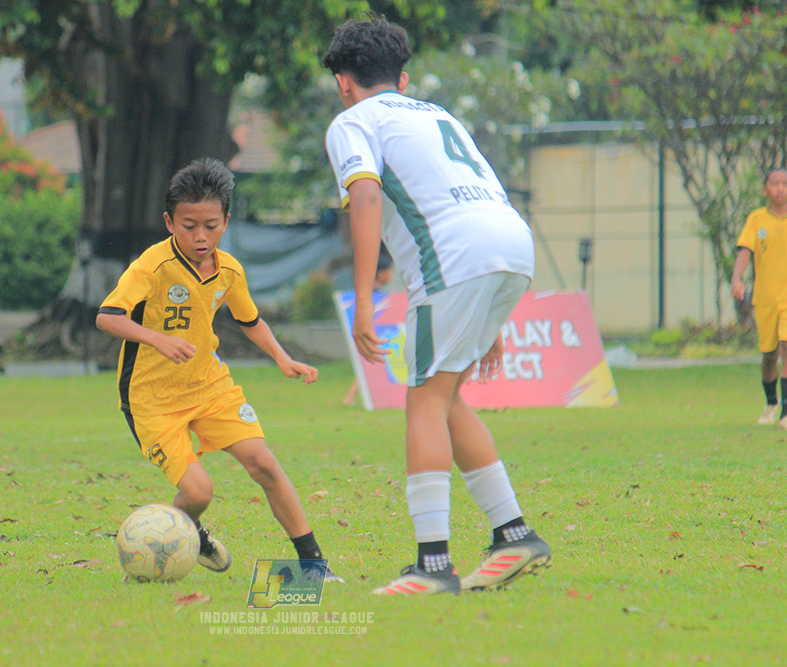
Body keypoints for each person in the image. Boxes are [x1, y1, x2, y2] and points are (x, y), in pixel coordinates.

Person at [322, 16, 550, 595]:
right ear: (401, 76)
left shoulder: (352, 121)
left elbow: (366, 195)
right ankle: (513, 534)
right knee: (446, 400)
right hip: (509, 245)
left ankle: (432, 565)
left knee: (422, 401)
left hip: (453, 259)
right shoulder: (438, 114)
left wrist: (367, 300)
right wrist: (488, 318)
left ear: (343, 83)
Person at [96, 158, 341, 582]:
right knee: (199, 492)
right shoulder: (151, 267)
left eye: (210, 225)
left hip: (209, 386)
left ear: (226, 222)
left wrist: (282, 357)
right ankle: (185, 535)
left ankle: (312, 567)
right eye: (189, 225)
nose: (200, 236)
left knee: (263, 463)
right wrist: (157, 338)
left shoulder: (229, 270)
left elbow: (250, 321)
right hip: (151, 401)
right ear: (169, 222)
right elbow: (107, 317)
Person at [731, 168, 787, 427]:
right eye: (774, 184)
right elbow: (745, 251)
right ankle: (771, 403)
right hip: (765, 298)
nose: (780, 189)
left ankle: (786, 412)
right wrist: (737, 278)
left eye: (785, 184)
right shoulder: (756, 219)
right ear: (765, 190)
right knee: (769, 354)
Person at [342, 247, 394, 406]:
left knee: (370, 364)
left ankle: (352, 397)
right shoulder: (375, 298)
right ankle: (350, 397)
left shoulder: (367, 295)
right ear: (382, 274)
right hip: (375, 333)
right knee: (369, 364)